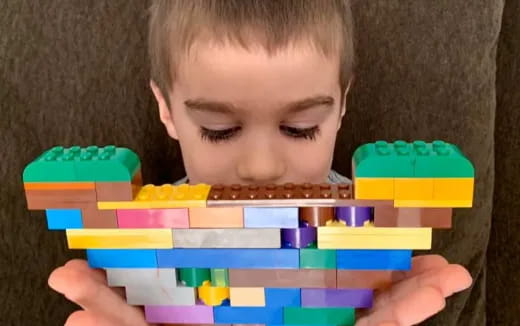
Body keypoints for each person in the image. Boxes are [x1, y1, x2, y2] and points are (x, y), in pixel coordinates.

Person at [48, 1, 473, 325]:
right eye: (218, 130)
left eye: (300, 127)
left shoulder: (368, 233)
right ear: (166, 110)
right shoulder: (143, 248)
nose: (261, 167)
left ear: (342, 104)